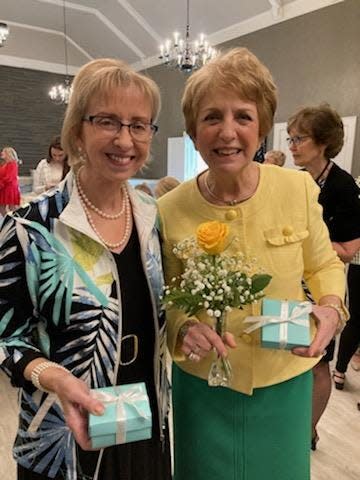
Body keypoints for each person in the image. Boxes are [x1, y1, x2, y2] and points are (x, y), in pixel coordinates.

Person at [158, 48, 347, 480]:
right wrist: (185, 326)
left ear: (262, 127)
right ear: (192, 131)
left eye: (243, 116)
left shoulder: (296, 188)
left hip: (283, 381)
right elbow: (165, 294)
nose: (228, 132)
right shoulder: (169, 209)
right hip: (203, 384)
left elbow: (322, 265)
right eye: (211, 117)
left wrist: (331, 307)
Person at [0, 58, 171, 480]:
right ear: (78, 129)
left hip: (143, 415)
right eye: (108, 121)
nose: (125, 139)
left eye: (139, 125)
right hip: (63, 431)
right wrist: (53, 377)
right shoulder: (32, 225)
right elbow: (6, 336)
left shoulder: (150, 215)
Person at [287, 103, 360, 449]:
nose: (292, 145)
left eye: (299, 138)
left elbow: (347, 249)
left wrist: (309, 243)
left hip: (321, 289)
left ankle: (308, 430)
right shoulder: (297, 180)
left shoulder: (343, 187)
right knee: (291, 355)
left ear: (322, 142)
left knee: (318, 363)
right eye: (290, 138)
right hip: (290, 283)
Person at [0, 146, 21, 216]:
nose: (1, 153)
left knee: (12, 207)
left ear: (8, 154)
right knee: (2, 207)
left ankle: (16, 221)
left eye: (3, 151)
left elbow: (9, 177)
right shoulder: (5, 165)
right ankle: (8, 220)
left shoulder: (12, 164)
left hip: (9, 188)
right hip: (4, 188)